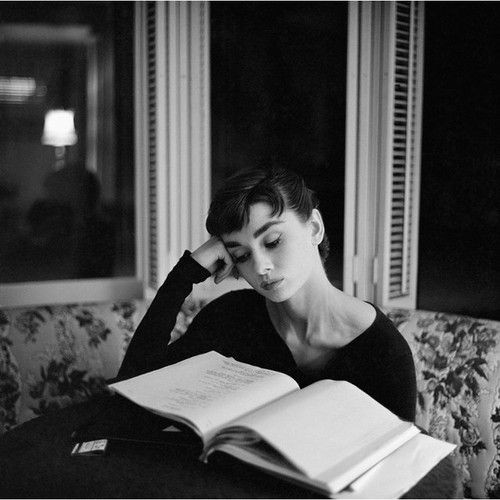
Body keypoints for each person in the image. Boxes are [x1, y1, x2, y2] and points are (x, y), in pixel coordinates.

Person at [117, 167, 416, 421]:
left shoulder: (384, 351)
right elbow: (134, 391)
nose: (260, 267)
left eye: (272, 242)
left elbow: (400, 463)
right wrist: (185, 274)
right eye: (242, 255)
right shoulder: (229, 319)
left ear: (314, 228)